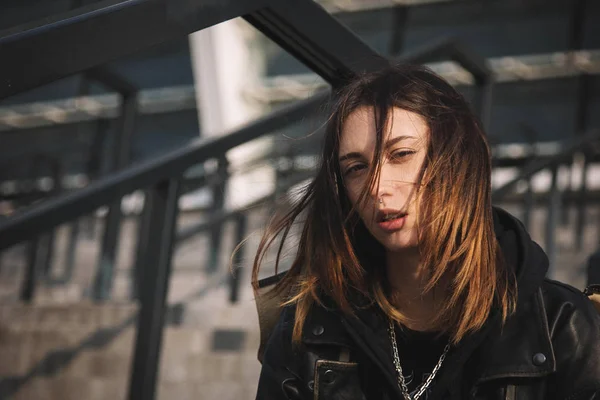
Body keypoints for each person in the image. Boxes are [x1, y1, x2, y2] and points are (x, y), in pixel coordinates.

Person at [251, 64, 600, 400]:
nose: (377, 187)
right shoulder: (309, 328)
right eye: (356, 168)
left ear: (457, 159)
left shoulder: (562, 327)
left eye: (401, 153)